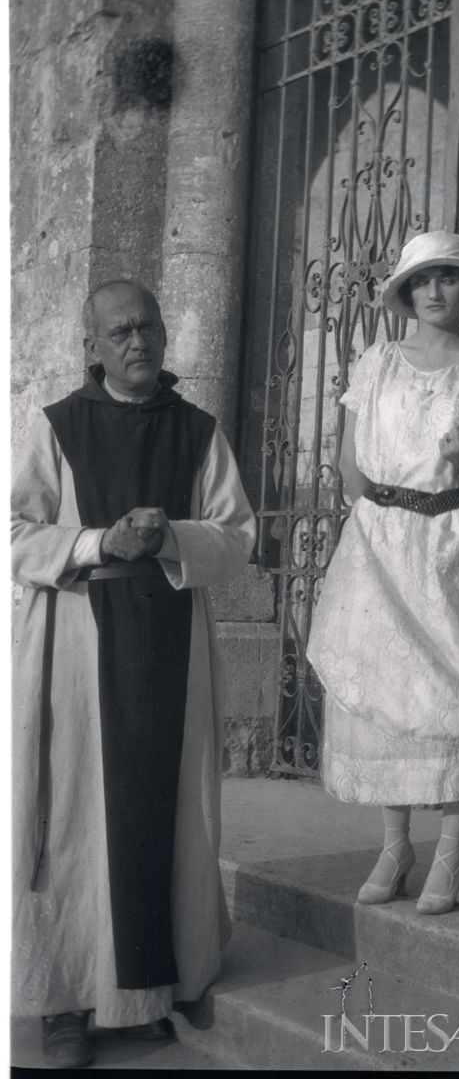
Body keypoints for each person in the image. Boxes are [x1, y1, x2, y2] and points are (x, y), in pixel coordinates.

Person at [12, 280, 255, 1067]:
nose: (138, 341)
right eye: (119, 331)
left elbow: (237, 532)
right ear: (92, 346)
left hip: (170, 639)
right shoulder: (57, 427)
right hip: (81, 644)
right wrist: (92, 544)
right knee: (74, 816)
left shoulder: (199, 430)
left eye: (148, 325)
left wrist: (172, 536)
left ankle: (148, 989)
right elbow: (15, 531)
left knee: (171, 807)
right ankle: (67, 1001)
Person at [307, 230, 459, 915]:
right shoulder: (375, 361)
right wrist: (378, 517)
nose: (436, 291)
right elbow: (350, 467)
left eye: (451, 278)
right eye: (424, 280)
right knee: (385, 687)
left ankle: (451, 848)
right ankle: (395, 843)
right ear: (405, 293)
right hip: (383, 541)